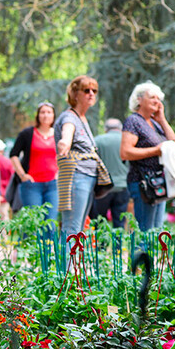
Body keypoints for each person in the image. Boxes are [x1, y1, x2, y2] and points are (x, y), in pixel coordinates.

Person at [120, 81, 175, 230]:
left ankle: (149, 254)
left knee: (156, 230)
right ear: (139, 99)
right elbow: (125, 152)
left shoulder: (155, 123)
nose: (156, 101)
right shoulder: (133, 121)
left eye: (158, 99)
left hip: (159, 182)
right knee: (145, 231)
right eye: (152, 97)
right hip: (143, 183)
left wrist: (162, 119)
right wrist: (155, 151)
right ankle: (140, 254)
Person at [55, 75, 103, 237]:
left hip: (88, 177)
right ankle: (67, 263)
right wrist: (64, 142)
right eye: (86, 90)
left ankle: (73, 262)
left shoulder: (82, 118)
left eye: (94, 90)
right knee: (72, 228)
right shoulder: (70, 117)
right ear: (75, 94)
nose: (91, 94)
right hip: (76, 176)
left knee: (80, 228)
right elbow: (67, 134)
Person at [11, 102, 59, 221]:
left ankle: (50, 241)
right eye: (42, 112)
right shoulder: (27, 134)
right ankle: (30, 241)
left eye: (49, 112)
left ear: (53, 116)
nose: (45, 115)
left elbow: (65, 156)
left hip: (53, 184)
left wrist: (60, 173)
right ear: (38, 115)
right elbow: (14, 155)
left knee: (50, 223)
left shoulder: (59, 134)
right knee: (34, 223)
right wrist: (22, 175)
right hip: (32, 185)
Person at [90, 118, 130, 228]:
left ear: (106, 129)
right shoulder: (127, 142)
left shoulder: (97, 141)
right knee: (120, 222)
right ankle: (118, 244)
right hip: (122, 186)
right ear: (120, 128)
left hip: (102, 188)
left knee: (100, 221)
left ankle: (101, 245)